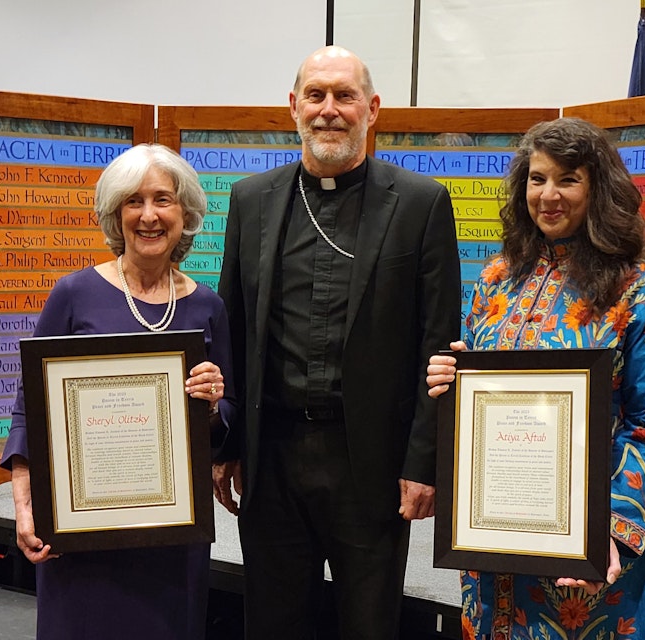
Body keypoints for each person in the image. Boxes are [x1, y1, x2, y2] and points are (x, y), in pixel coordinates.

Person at [213, 45, 461, 639]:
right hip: (271, 456)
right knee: (271, 624)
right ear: (293, 106)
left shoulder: (422, 203)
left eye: (345, 96)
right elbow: (232, 330)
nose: (329, 109)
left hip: (370, 464)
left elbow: (437, 345)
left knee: (369, 626)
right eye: (316, 95)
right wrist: (225, 443)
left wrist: (423, 463)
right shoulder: (251, 200)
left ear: (371, 109)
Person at [426, 117, 645, 640]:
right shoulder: (497, 279)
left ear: (599, 190)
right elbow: (481, 398)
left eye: (567, 179)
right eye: (537, 178)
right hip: (493, 541)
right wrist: (452, 378)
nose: (548, 195)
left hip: (590, 556)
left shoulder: (641, 290)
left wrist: (611, 529)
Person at [0, 143, 236, 640]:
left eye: (163, 199)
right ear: (115, 214)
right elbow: (29, 408)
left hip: (171, 536)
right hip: (82, 533)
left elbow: (225, 419)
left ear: (186, 214)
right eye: (134, 201)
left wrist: (214, 405)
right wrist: (25, 505)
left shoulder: (208, 307)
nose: (149, 215)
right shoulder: (74, 294)